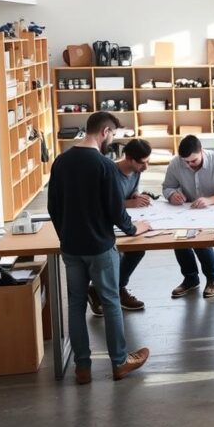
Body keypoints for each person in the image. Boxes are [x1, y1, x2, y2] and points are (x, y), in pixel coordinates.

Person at [47, 112, 151, 384]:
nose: (112, 140)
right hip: (100, 247)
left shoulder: (61, 162)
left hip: (71, 248)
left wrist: (65, 236)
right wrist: (133, 229)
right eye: (113, 135)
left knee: (76, 305)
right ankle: (119, 363)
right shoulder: (103, 165)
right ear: (105, 131)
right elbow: (116, 210)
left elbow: (53, 207)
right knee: (111, 302)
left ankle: (82, 368)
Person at [86, 139, 151, 316]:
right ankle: (114, 290)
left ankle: (110, 289)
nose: (146, 167)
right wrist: (130, 203)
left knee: (139, 248)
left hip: (126, 218)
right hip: (106, 225)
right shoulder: (110, 171)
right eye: (142, 163)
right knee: (129, 249)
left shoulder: (136, 172)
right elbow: (103, 204)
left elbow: (131, 191)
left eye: (148, 161)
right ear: (129, 158)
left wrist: (137, 196)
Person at [162, 135, 214, 299]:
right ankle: (190, 279)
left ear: (202, 152)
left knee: (201, 241)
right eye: (185, 162)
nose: (189, 165)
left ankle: (213, 278)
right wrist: (172, 195)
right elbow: (167, 187)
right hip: (187, 209)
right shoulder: (176, 162)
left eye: (193, 161)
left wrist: (209, 200)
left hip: (213, 209)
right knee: (179, 240)